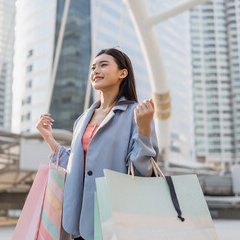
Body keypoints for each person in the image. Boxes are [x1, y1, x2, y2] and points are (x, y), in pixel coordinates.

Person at [36, 48, 159, 240]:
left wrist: (144, 130)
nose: (96, 70)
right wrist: (49, 139)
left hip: (114, 219)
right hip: (77, 222)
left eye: (103, 64)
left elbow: (141, 171)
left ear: (122, 73)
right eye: (93, 67)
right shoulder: (82, 119)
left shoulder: (137, 114)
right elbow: (74, 166)